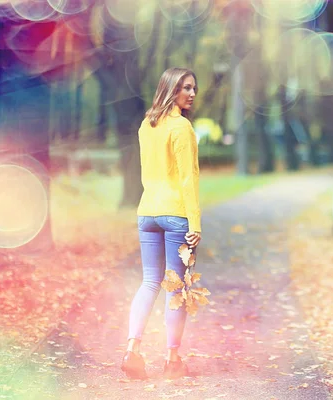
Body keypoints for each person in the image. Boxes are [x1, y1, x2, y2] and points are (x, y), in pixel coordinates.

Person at [121, 67, 202, 380]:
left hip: (147, 212)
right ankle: (172, 360)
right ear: (171, 90)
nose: (191, 94)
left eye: (193, 88)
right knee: (175, 287)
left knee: (150, 281)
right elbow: (188, 178)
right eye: (185, 88)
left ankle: (132, 350)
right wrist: (194, 223)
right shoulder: (181, 127)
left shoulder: (147, 125)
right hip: (175, 214)